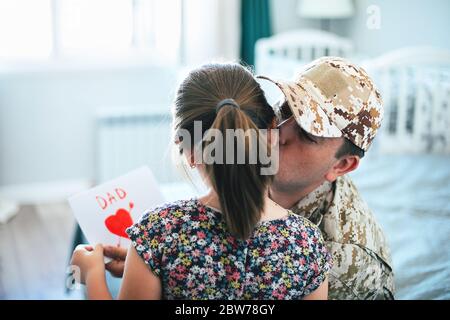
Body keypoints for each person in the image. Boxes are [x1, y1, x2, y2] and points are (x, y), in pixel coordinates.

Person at [70, 63, 332, 300]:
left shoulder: (160, 233)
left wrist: (92, 276)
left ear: (188, 150)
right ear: (272, 133)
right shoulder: (307, 243)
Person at [259, 56, 395, 299]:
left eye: (309, 133)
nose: (278, 133)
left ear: (342, 165)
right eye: (287, 108)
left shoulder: (340, 261)